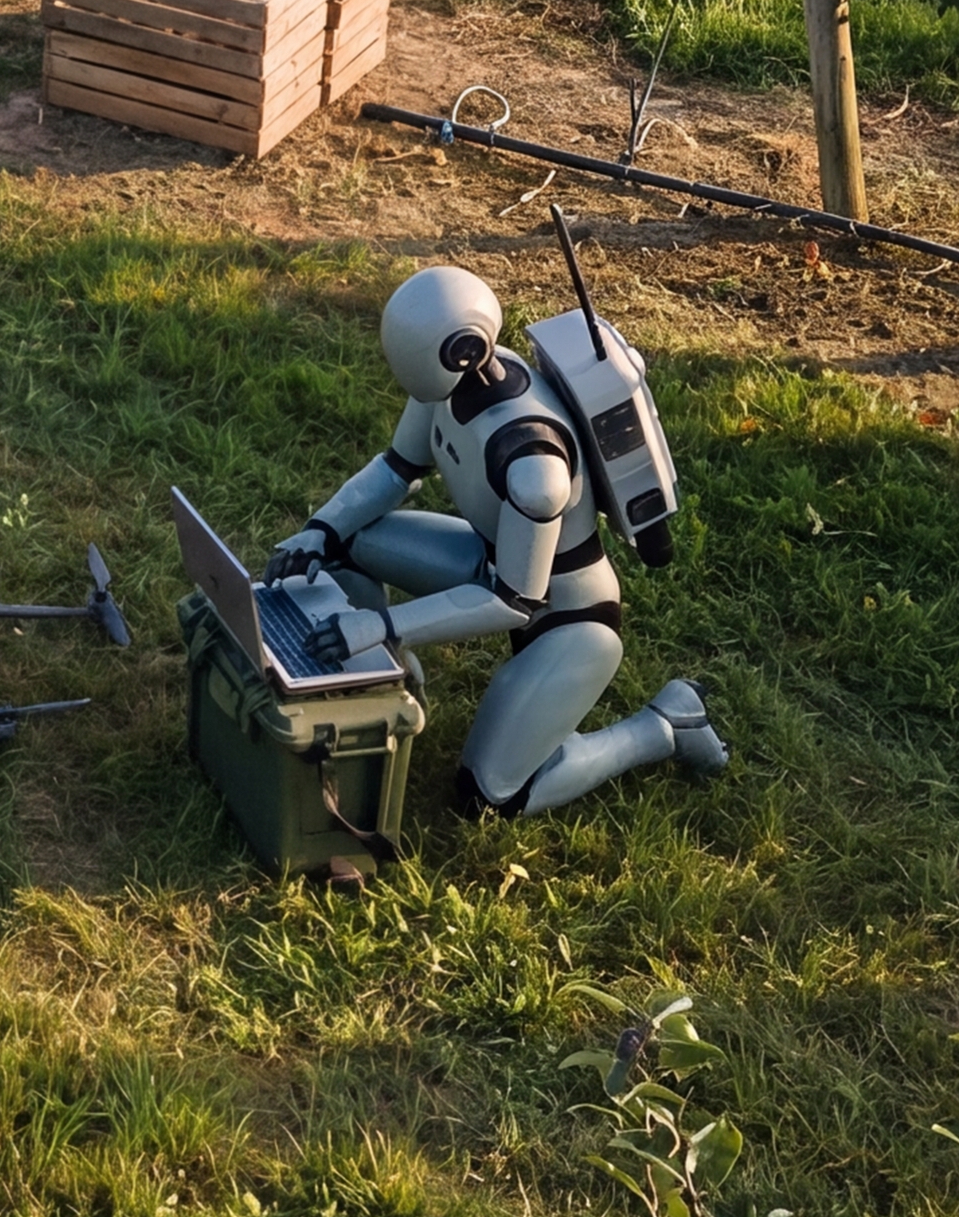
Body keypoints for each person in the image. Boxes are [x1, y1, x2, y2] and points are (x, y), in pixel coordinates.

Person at [262, 263, 725, 818]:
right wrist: (321, 529)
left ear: (453, 350)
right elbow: (395, 470)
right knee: (345, 542)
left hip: (564, 616)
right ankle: (388, 679)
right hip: (486, 560)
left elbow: (512, 602)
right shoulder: (460, 375)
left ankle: (667, 724)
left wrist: (381, 624)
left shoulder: (533, 467)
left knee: (491, 798)